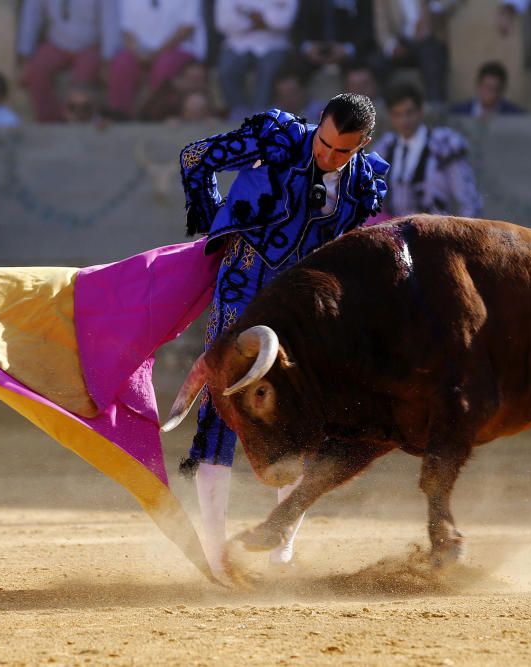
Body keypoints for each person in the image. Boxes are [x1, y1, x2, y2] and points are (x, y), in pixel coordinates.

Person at [177, 93, 389, 579]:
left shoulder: (365, 181)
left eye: (342, 151)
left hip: (299, 305)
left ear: (361, 145)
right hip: (244, 282)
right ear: (319, 126)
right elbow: (195, 158)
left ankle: (283, 546)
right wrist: (217, 229)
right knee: (221, 402)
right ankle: (214, 549)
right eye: (325, 143)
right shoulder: (277, 137)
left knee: (302, 409)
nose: (328, 156)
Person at [375, 81, 481, 219]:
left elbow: (468, 200)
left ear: (421, 110)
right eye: (397, 114)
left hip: (435, 234)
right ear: (390, 115)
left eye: (409, 112)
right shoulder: (385, 147)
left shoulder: (444, 145)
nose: (404, 120)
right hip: (394, 234)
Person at [16, 0, 120, 123]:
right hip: (56, 43)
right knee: (36, 72)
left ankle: (81, 122)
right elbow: (31, 17)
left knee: (83, 80)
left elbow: (110, 22)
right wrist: (25, 57)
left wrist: (107, 61)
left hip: (90, 45)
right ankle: (50, 122)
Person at [107, 0, 205, 119]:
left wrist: (157, 53)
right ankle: (120, 117)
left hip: (178, 48)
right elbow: (126, 30)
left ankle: (153, 116)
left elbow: (187, 27)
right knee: (122, 63)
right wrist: (138, 53)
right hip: (140, 52)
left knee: (164, 68)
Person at [214, 0, 297, 117]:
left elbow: (283, 22)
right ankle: (239, 113)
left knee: (269, 68)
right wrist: (264, 20)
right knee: (227, 69)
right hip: (237, 43)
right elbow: (223, 23)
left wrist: (247, 15)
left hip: (274, 44)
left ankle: (262, 114)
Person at [372, 0, 463, 107]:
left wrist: (430, 11)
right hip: (400, 42)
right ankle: (383, 108)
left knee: (432, 61)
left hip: (427, 40)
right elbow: (381, 26)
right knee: (376, 62)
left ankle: (436, 108)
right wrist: (392, 47)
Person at [293, 0, 376, 77]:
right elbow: (298, 30)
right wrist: (309, 48)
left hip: (351, 56)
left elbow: (367, 29)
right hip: (313, 58)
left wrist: (346, 50)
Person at [450, 60, 526, 117]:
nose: (492, 94)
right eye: (488, 88)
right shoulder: (459, 112)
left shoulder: (515, 115)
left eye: (496, 89)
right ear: (478, 86)